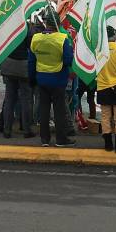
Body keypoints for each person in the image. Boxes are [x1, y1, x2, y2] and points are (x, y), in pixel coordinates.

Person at [28, 14, 76, 147]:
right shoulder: (62, 39)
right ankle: (61, 139)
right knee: (59, 111)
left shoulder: (36, 38)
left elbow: (31, 62)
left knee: (44, 110)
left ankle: (45, 139)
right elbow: (67, 60)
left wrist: (32, 79)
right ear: (57, 24)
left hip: (41, 79)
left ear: (46, 24)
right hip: (58, 79)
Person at [0, 36, 35, 139]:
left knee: (9, 100)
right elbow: (31, 48)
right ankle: (27, 130)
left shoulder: (9, 28)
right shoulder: (26, 30)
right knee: (26, 100)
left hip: (8, 65)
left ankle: (7, 130)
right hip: (23, 67)